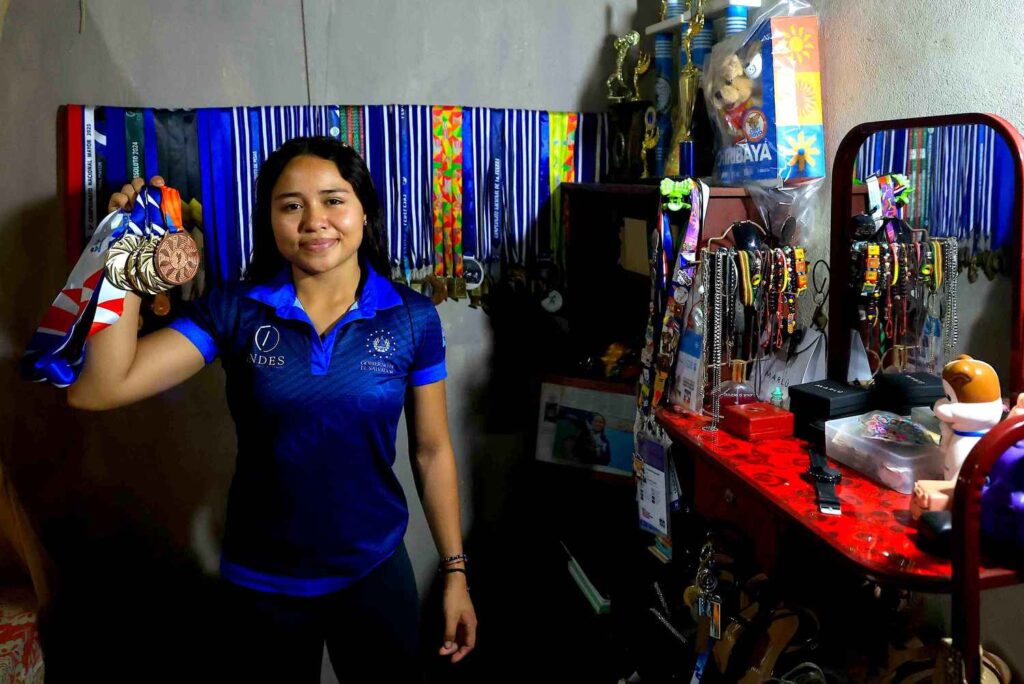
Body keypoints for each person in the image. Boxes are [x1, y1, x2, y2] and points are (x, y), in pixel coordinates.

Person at [67, 136, 476, 681]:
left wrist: (455, 573)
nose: (314, 220)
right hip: (262, 582)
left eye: (333, 200)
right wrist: (123, 259)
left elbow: (432, 451)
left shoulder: (411, 317)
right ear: (270, 219)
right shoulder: (236, 310)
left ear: (364, 211)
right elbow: (98, 388)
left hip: (374, 570)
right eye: (291, 205)